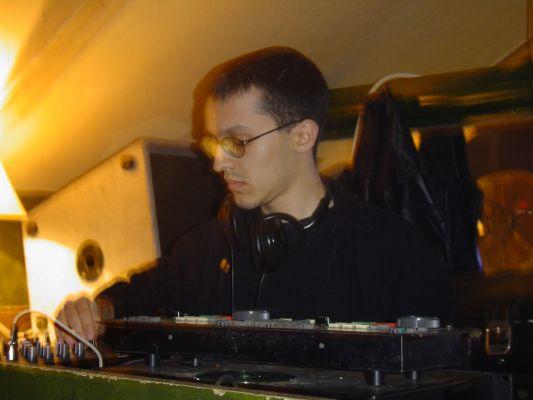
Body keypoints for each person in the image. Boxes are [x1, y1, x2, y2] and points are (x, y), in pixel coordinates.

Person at [57, 47, 453, 345]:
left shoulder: (393, 251)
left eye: (238, 142)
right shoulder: (209, 246)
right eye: (214, 144)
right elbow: (131, 298)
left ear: (302, 136)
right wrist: (93, 311)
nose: (218, 163)